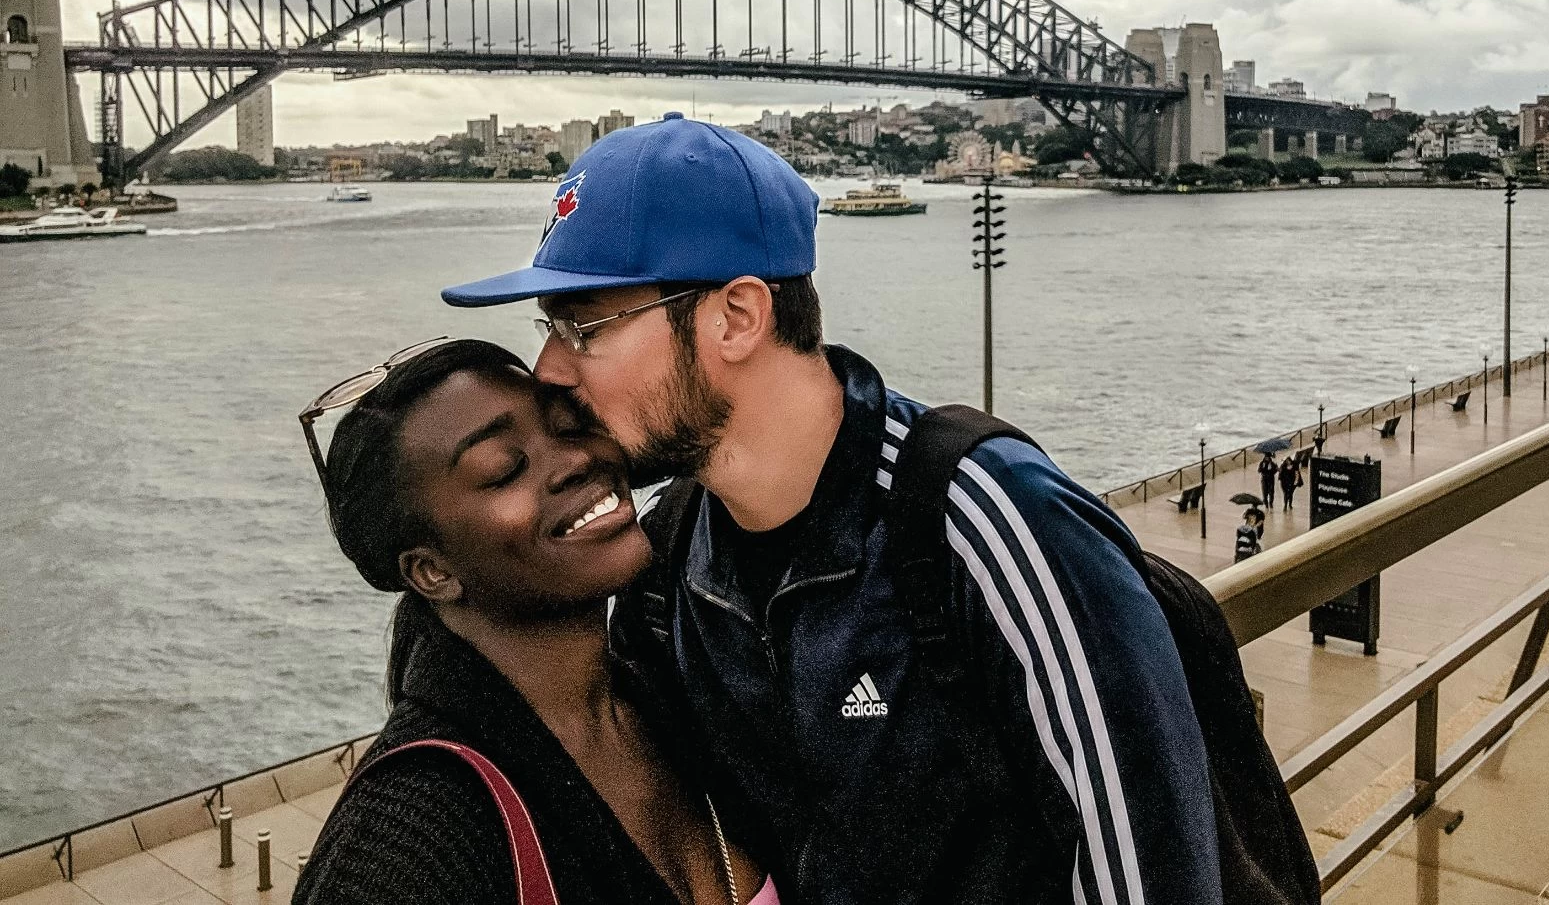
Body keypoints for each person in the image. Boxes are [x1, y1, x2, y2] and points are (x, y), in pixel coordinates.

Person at [444, 113, 1227, 905]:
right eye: (550, 327)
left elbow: (1154, 880)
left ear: (738, 316)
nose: (547, 370)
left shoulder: (987, 523)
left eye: (585, 327)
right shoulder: (669, 569)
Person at [293, 339, 775, 905]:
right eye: (504, 469)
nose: (576, 459)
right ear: (431, 571)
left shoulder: (678, 702)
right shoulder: (410, 840)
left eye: (572, 426)